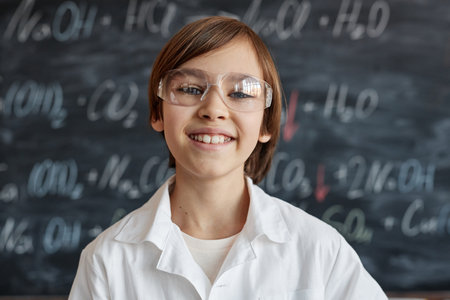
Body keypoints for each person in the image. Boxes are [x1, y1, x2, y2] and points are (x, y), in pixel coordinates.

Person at [69, 16, 387, 300]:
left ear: (265, 123)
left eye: (240, 93)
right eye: (191, 89)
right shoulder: (106, 262)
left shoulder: (319, 251)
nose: (214, 109)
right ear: (157, 111)